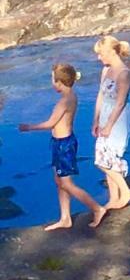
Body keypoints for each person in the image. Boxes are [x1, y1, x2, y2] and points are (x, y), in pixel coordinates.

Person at [18, 63, 107, 230]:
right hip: (61, 143)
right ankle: (65, 218)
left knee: (66, 183)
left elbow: (50, 123)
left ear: (59, 82)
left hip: (63, 145)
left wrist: (28, 127)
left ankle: (97, 208)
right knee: (59, 181)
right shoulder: (72, 96)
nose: (52, 83)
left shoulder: (64, 102)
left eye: (53, 79)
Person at [93, 35, 130, 211]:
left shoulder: (124, 74)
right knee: (106, 155)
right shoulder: (106, 70)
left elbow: (120, 102)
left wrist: (109, 124)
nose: (98, 57)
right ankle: (114, 197)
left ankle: (125, 192)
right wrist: (95, 119)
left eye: (101, 53)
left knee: (103, 160)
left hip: (118, 118)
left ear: (111, 52)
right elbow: (101, 95)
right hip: (105, 114)